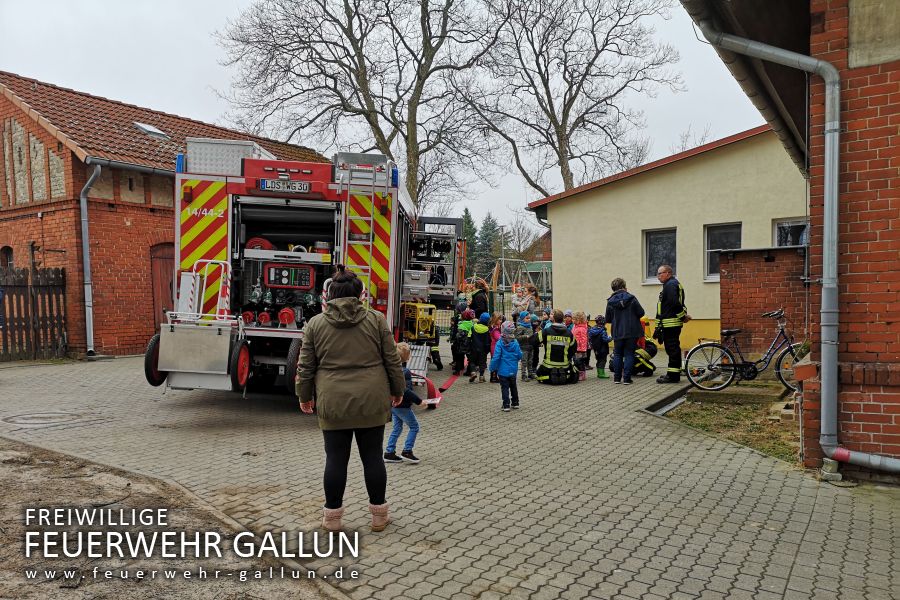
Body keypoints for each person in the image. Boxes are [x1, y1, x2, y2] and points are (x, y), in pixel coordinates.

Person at [297, 266, 405, 533]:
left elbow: (305, 366)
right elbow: (392, 358)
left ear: (330, 295)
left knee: (335, 460)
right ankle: (379, 516)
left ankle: (332, 519)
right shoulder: (376, 320)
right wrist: (398, 388)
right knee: (373, 458)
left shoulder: (315, 324)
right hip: (371, 399)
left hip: (332, 401)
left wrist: (304, 395)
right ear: (359, 295)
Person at [384, 343, 425, 464]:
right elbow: (405, 390)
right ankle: (407, 451)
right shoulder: (405, 371)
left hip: (393, 405)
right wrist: (419, 401)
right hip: (402, 405)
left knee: (397, 428)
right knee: (414, 427)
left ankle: (389, 453)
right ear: (407, 357)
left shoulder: (391, 370)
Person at [604, 278, 645, 385]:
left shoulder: (610, 301)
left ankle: (617, 378)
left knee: (617, 354)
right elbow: (641, 312)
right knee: (629, 354)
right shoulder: (631, 298)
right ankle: (627, 379)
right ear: (623, 286)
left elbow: (607, 319)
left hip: (617, 331)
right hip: (632, 331)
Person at [655, 264, 690, 383]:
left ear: (668, 273)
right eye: (658, 274)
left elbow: (674, 303)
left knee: (672, 349)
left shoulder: (670, 285)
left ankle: (673, 377)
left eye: (660, 273)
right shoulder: (671, 284)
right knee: (672, 349)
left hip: (671, 324)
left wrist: (683, 317)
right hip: (670, 323)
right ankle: (672, 373)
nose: (658, 276)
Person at [535, 309, 579, 385]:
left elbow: (533, 341)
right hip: (565, 366)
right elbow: (574, 348)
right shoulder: (569, 333)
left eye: (551, 314)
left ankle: (551, 376)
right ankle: (563, 375)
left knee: (539, 372)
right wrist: (567, 357)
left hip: (548, 366)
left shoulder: (546, 331)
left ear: (554, 319)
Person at [490, 321, 523, 411]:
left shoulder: (500, 343)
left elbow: (496, 357)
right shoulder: (515, 342)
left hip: (502, 370)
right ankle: (515, 403)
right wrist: (516, 359)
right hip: (513, 369)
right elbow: (520, 355)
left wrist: (492, 368)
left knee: (504, 387)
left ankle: (506, 404)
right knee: (513, 386)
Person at [468, 312, 491, 383]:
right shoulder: (487, 330)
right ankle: (481, 377)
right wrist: (487, 350)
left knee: (472, 361)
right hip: (483, 350)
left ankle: (473, 372)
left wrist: (468, 347)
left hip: (473, 348)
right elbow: (488, 342)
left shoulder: (473, 327)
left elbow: (469, 337)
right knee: (482, 363)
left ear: (480, 319)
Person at [514, 311, 536, 381]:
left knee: (530, 361)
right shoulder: (520, 327)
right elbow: (517, 337)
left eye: (529, 318)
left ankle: (530, 373)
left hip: (530, 347)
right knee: (524, 362)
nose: (529, 319)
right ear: (522, 318)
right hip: (524, 348)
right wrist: (525, 336)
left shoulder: (530, 326)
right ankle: (523, 375)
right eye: (527, 318)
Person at [449, 301, 468, 375]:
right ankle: (462, 367)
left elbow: (455, 329)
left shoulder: (457, 317)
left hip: (458, 339)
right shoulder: (467, 316)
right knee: (462, 354)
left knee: (458, 354)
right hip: (466, 339)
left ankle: (457, 369)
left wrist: (453, 338)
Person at [571, 311, 590, 381]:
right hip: (575, 347)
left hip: (580, 349)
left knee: (579, 361)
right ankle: (578, 373)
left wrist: (579, 346)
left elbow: (583, 339)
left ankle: (582, 374)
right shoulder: (575, 326)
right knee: (575, 361)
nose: (572, 320)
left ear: (578, 320)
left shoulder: (581, 328)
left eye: (574, 319)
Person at [488, 312, 503, 382]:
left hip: (494, 346)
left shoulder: (493, 327)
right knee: (495, 362)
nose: (501, 321)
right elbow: (498, 338)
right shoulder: (495, 329)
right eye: (499, 319)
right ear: (495, 320)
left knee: (495, 361)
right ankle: (493, 377)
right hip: (495, 347)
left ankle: (494, 376)